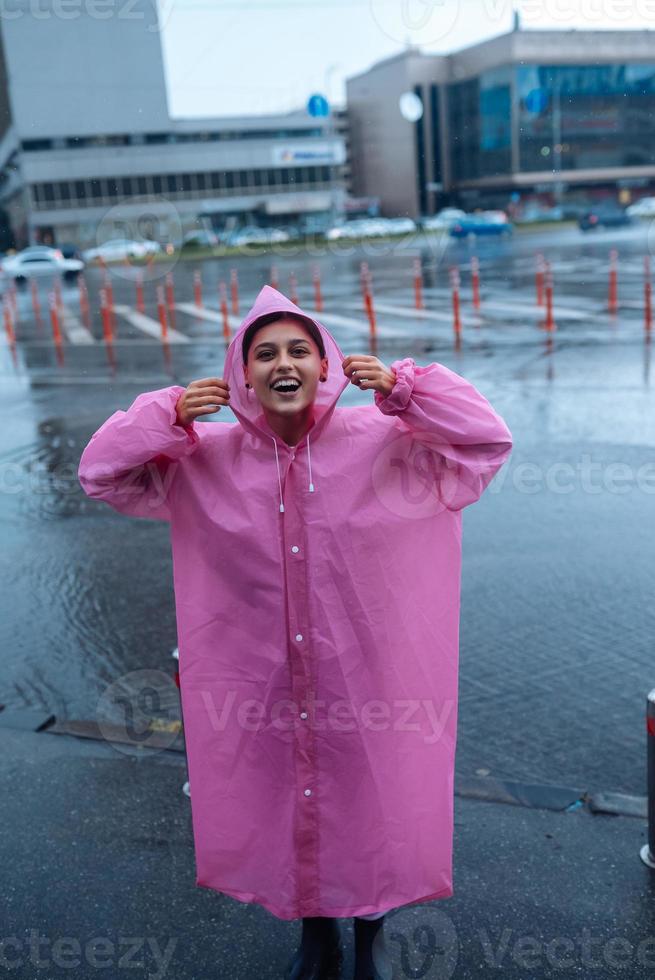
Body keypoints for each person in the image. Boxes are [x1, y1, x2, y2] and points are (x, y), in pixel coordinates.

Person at [78, 285, 513, 980]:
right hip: (263, 675)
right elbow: (102, 474)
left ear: (326, 365)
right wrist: (162, 416)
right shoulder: (204, 460)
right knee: (290, 800)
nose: (284, 363)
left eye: (300, 350)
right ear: (241, 374)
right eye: (265, 352)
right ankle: (315, 933)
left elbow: (485, 441)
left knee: (371, 799)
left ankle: (370, 927)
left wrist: (408, 392)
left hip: (370, 675)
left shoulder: (389, 443)